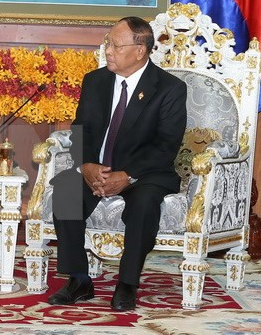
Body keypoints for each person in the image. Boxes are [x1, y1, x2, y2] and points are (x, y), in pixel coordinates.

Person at [45, 16, 187, 311]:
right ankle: (79, 279)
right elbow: (80, 129)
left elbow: (166, 145)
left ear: (140, 51)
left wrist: (128, 175)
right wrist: (86, 166)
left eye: (115, 45)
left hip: (145, 173)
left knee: (145, 204)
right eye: (107, 42)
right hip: (98, 168)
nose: (108, 50)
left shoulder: (169, 88)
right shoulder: (95, 81)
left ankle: (127, 283)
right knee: (66, 190)